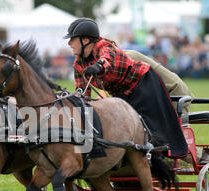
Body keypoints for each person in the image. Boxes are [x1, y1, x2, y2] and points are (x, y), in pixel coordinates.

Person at [64, 18, 187, 158]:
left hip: (143, 84)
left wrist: (98, 67)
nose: (69, 43)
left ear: (85, 40)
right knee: (124, 134)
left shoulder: (103, 45)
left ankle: (173, 154)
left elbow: (107, 58)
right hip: (120, 95)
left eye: (72, 39)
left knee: (155, 131)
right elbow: (82, 93)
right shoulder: (78, 64)